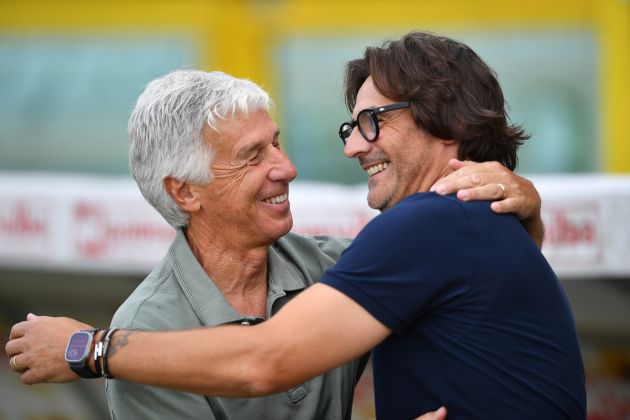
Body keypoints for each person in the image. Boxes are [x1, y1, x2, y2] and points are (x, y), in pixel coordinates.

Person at [5, 34, 559, 418]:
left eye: (372, 121)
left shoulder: (390, 243)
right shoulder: (149, 321)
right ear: (184, 191)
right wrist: (524, 217)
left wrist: (93, 351)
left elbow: (262, 361)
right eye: (253, 155)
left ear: (448, 119)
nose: (289, 167)